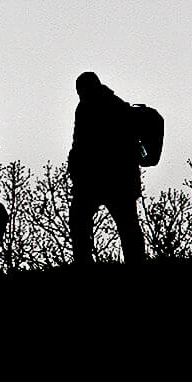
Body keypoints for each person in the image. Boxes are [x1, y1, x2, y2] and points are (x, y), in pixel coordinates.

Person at [68, 72, 147, 264]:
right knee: (126, 225)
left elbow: (82, 144)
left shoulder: (100, 107)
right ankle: (135, 262)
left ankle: (85, 262)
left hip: (105, 179)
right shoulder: (112, 105)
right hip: (110, 179)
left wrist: (76, 166)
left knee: (121, 223)